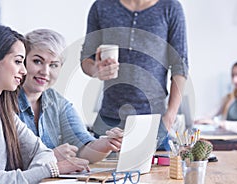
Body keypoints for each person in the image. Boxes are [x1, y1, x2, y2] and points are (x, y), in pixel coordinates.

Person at [0, 24, 88, 184]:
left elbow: (43, 153)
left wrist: (27, 179)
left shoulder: (3, 114)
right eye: (18, 61)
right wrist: (48, 171)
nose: (24, 71)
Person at [80, 0, 189, 150]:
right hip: (109, 120)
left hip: (154, 121)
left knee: (158, 173)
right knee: (99, 172)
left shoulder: (170, 7)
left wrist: (169, 117)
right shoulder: (101, 6)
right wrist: (95, 70)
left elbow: (180, 65)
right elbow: (86, 58)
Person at [18, 29, 123, 164]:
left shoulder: (57, 103)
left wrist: (107, 143)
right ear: (23, 61)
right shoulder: (4, 102)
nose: (45, 71)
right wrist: (50, 157)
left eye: (54, 65)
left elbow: (84, 149)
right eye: (38, 61)